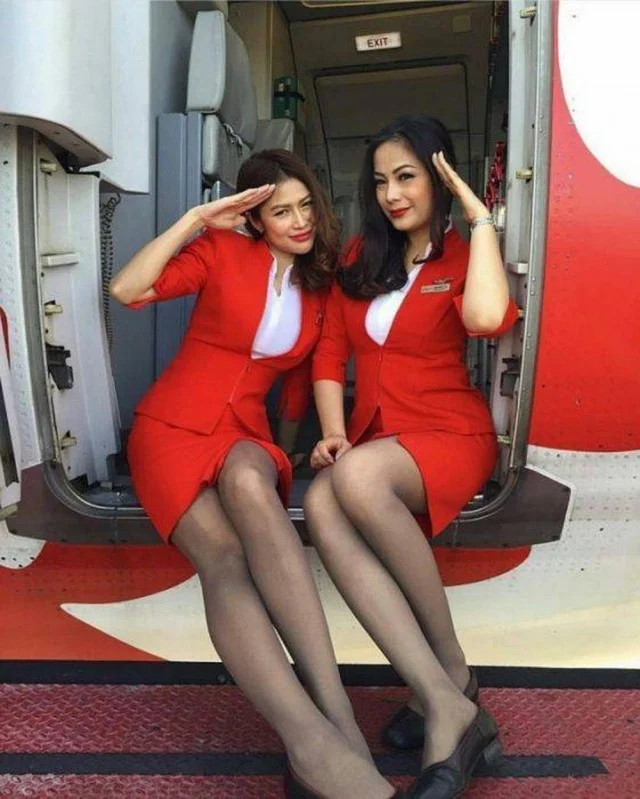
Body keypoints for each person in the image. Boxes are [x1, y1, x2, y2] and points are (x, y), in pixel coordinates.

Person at [110, 149, 399, 799]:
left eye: (305, 206)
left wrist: (309, 444)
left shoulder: (320, 288)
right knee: (225, 559)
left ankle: (338, 712)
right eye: (281, 212)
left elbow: (305, 383)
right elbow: (127, 289)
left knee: (248, 480)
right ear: (254, 219)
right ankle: (311, 743)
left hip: (242, 435)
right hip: (169, 430)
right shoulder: (219, 253)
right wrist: (196, 221)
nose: (299, 221)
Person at [303, 117, 518, 798]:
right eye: (380, 182)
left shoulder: (464, 254)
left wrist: (480, 221)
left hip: (449, 433)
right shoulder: (362, 255)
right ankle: (443, 693)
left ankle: (449, 677)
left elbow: (486, 320)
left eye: (407, 177)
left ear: (439, 177)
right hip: (376, 440)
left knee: (356, 479)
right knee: (321, 497)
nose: (392, 194)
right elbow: (330, 352)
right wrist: (333, 431)